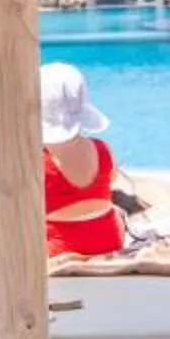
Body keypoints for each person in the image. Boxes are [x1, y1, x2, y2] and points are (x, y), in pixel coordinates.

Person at [38, 62, 124, 259]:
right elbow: (112, 179)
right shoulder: (103, 149)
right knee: (116, 211)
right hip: (108, 242)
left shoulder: (37, 162)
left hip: (58, 249)